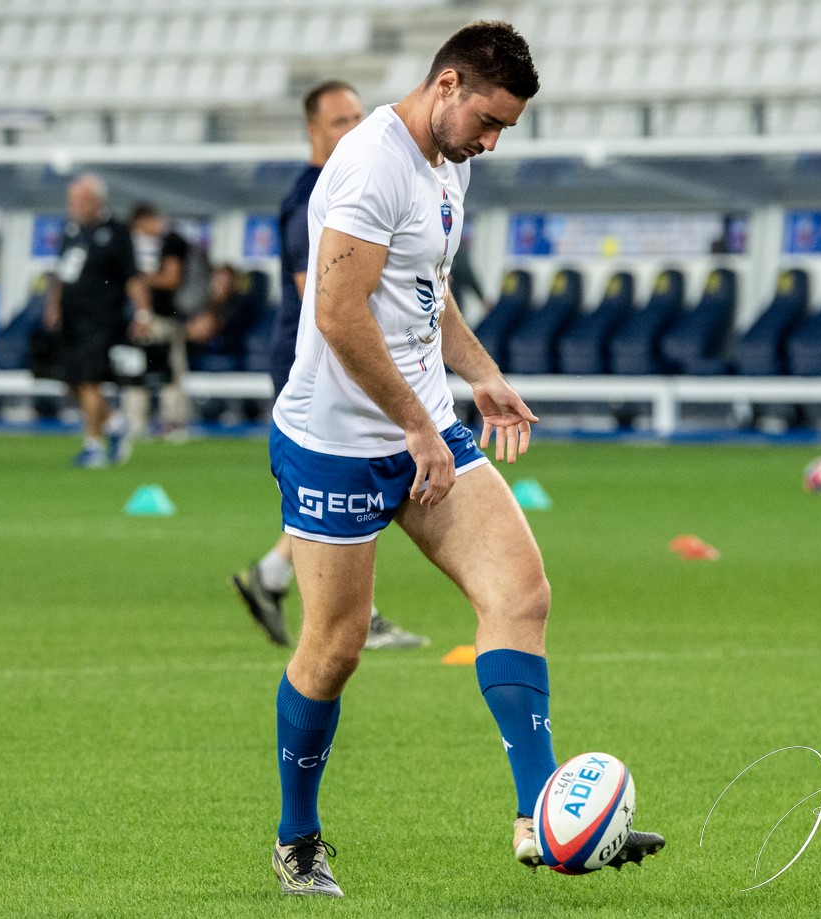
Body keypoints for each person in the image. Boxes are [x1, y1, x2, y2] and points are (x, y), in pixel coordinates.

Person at [264, 23, 663, 898]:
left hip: (423, 423)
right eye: (487, 120)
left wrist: (479, 376)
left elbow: (423, 287)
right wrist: (413, 424)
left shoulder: (451, 162)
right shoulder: (371, 166)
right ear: (446, 84)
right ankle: (297, 837)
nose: (491, 141)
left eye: (505, 129)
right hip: (336, 440)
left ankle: (543, 819)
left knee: (520, 592)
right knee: (333, 647)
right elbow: (338, 315)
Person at [232, 80, 429, 653]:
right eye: (339, 121)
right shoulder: (311, 197)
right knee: (350, 482)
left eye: (357, 117)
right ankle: (354, 616)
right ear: (313, 131)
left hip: (341, 357)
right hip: (315, 363)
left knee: (347, 487)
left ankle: (271, 579)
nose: (353, 128)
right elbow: (322, 294)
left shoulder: (361, 174)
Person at [44, 174, 150, 468]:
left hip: (101, 319)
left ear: (96, 201)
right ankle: (115, 424)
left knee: (90, 381)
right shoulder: (71, 231)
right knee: (72, 382)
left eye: (79, 201)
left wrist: (142, 313)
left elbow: (133, 277)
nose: (73, 207)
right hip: (71, 319)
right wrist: (53, 305)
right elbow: (60, 273)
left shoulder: (116, 232)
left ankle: (93, 446)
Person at [123, 203, 192, 443]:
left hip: (164, 317)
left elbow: (173, 278)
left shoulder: (172, 241)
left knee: (168, 371)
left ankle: (172, 422)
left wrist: (140, 278)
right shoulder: (162, 243)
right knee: (139, 371)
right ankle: (137, 422)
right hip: (152, 317)